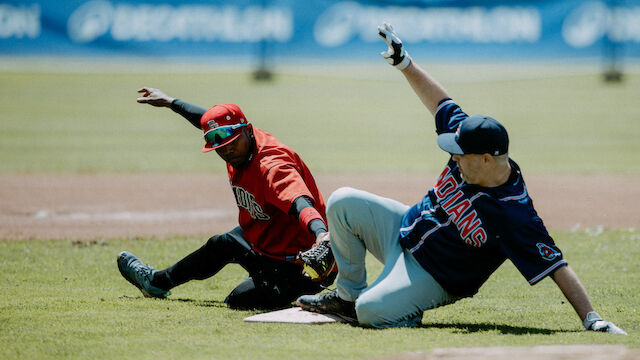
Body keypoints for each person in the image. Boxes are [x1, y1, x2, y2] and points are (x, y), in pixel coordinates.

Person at [296, 23, 627, 334]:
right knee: (342, 201)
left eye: (460, 154)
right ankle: (347, 295)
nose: (453, 155)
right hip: (401, 230)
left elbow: (556, 265)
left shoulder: (514, 214)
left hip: (432, 275)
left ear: (486, 159)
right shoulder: (471, 138)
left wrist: (592, 320)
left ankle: (400, 309)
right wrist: (404, 63)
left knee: (370, 313)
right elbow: (441, 103)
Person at [117, 88, 335, 310]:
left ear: (247, 130)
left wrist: (321, 235)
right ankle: (155, 282)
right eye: (220, 146)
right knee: (221, 244)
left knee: (238, 300)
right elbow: (209, 124)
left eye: (232, 143)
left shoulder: (272, 166)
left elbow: (300, 202)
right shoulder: (236, 140)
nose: (228, 150)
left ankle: (305, 293)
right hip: (266, 241)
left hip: (302, 265)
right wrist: (171, 102)